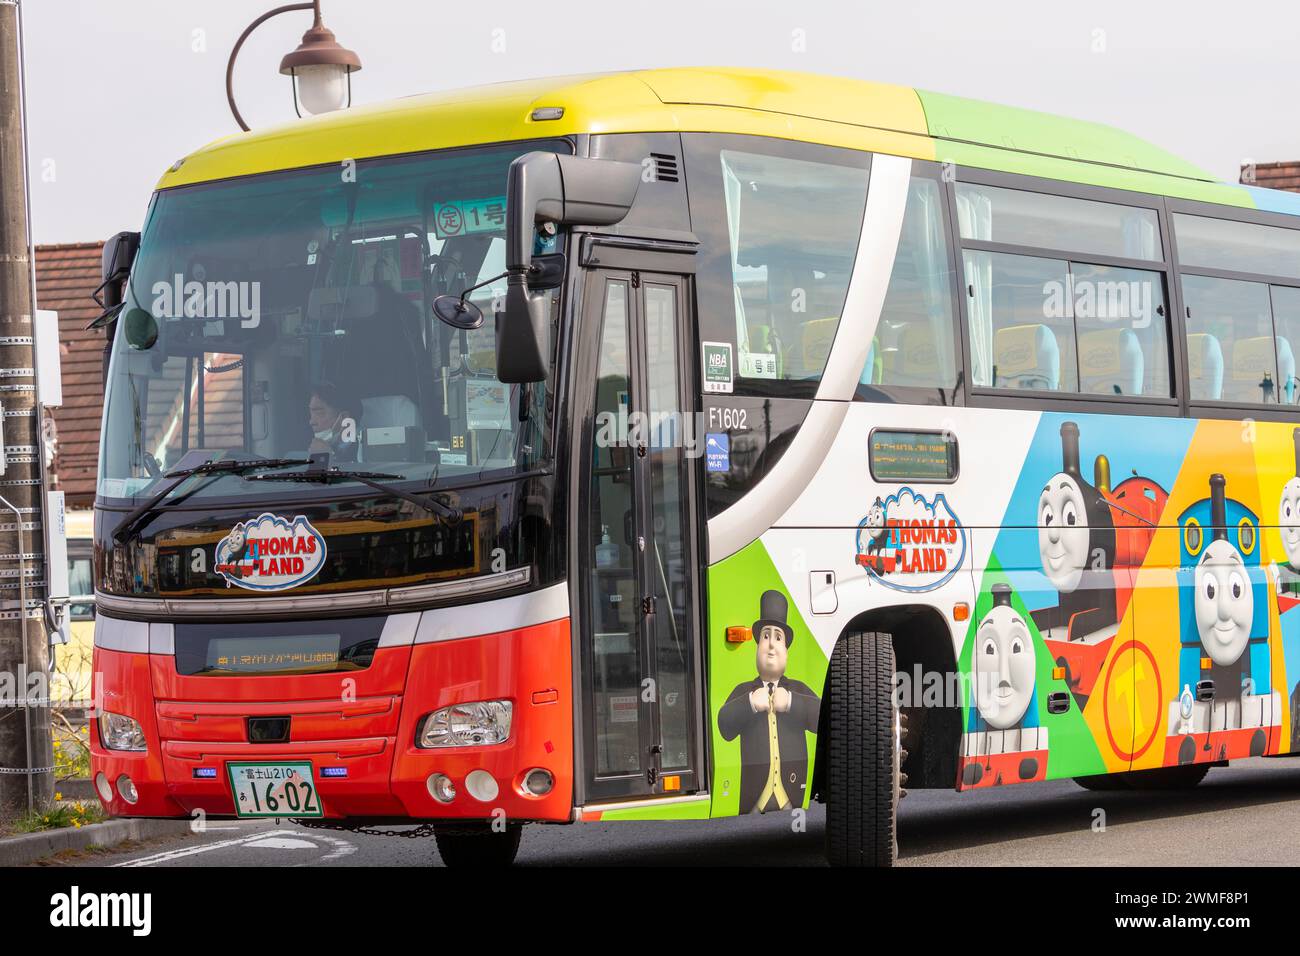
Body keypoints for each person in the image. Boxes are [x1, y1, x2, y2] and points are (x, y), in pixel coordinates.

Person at [717, 590, 821, 813]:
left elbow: (824, 718)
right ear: (756, 647)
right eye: (766, 636)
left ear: (786, 651)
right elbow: (724, 726)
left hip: (792, 799)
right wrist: (751, 704)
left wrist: (792, 702)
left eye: (778, 637)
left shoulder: (797, 689)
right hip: (753, 801)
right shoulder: (744, 691)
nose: (771, 645)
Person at [307, 382, 357, 461]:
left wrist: (324, 459)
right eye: (311, 414)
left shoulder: (365, 456)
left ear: (344, 418)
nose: (311, 422)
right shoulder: (299, 455)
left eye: (319, 412)